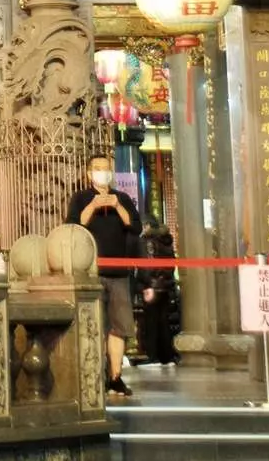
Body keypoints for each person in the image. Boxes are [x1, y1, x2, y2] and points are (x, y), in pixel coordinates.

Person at [65, 154, 140, 397]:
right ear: (89, 173)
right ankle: (92, 376)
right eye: (97, 169)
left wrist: (117, 206)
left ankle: (115, 377)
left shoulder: (123, 198)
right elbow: (73, 226)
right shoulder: (80, 198)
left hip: (118, 272)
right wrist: (93, 206)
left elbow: (135, 226)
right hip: (90, 272)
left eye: (106, 169)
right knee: (93, 325)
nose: (102, 173)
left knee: (119, 326)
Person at [134, 226, 179, 369]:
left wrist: (147, 284)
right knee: (163, 322)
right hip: (165, 286)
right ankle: (167, 356)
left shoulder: (148, 242)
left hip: (152, 287)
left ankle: (152, 356)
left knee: (151, 323)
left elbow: (147, 265)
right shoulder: (167, 241)